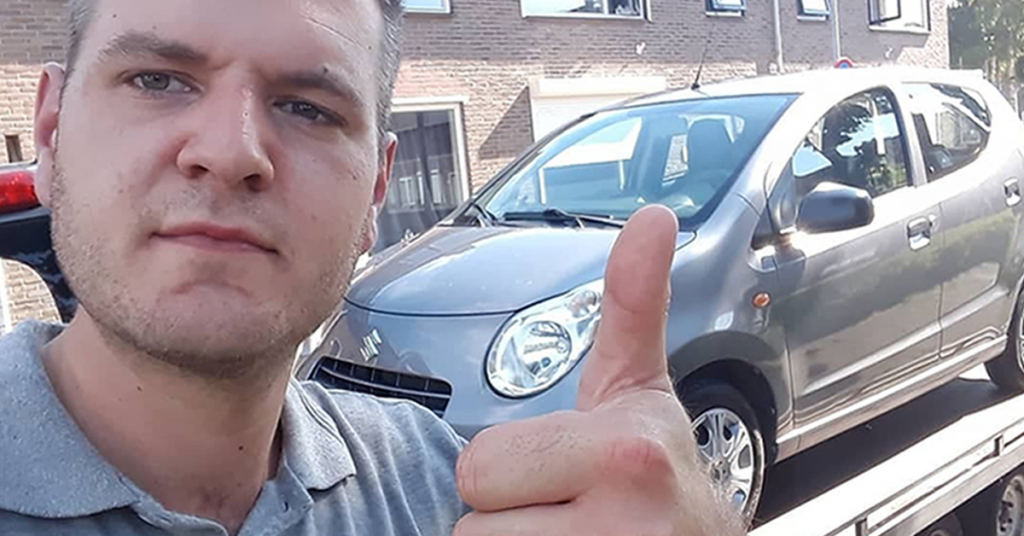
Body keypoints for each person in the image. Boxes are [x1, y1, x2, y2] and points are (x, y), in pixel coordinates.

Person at [0, 0, 744, 534]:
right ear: (52, 130)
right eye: (158, 80)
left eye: (309, 109)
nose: (230, 152)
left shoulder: (444, 489)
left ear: (377, 191)